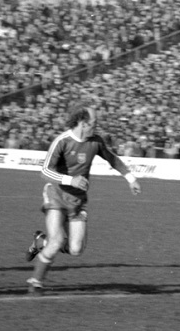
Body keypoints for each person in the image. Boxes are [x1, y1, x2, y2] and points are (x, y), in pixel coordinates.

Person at [24, 103, 141, 294]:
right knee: (57, 241)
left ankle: (40, 242)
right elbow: (45, 171)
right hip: (56, 194)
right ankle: (36, 281)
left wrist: (130, 178)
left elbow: (112, 159)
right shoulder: (62, 141)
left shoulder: (95, 141)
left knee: (76, 249)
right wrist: (71, 179)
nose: (97, 126)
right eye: (94, 122)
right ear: (82, 123)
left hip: (77, 200)